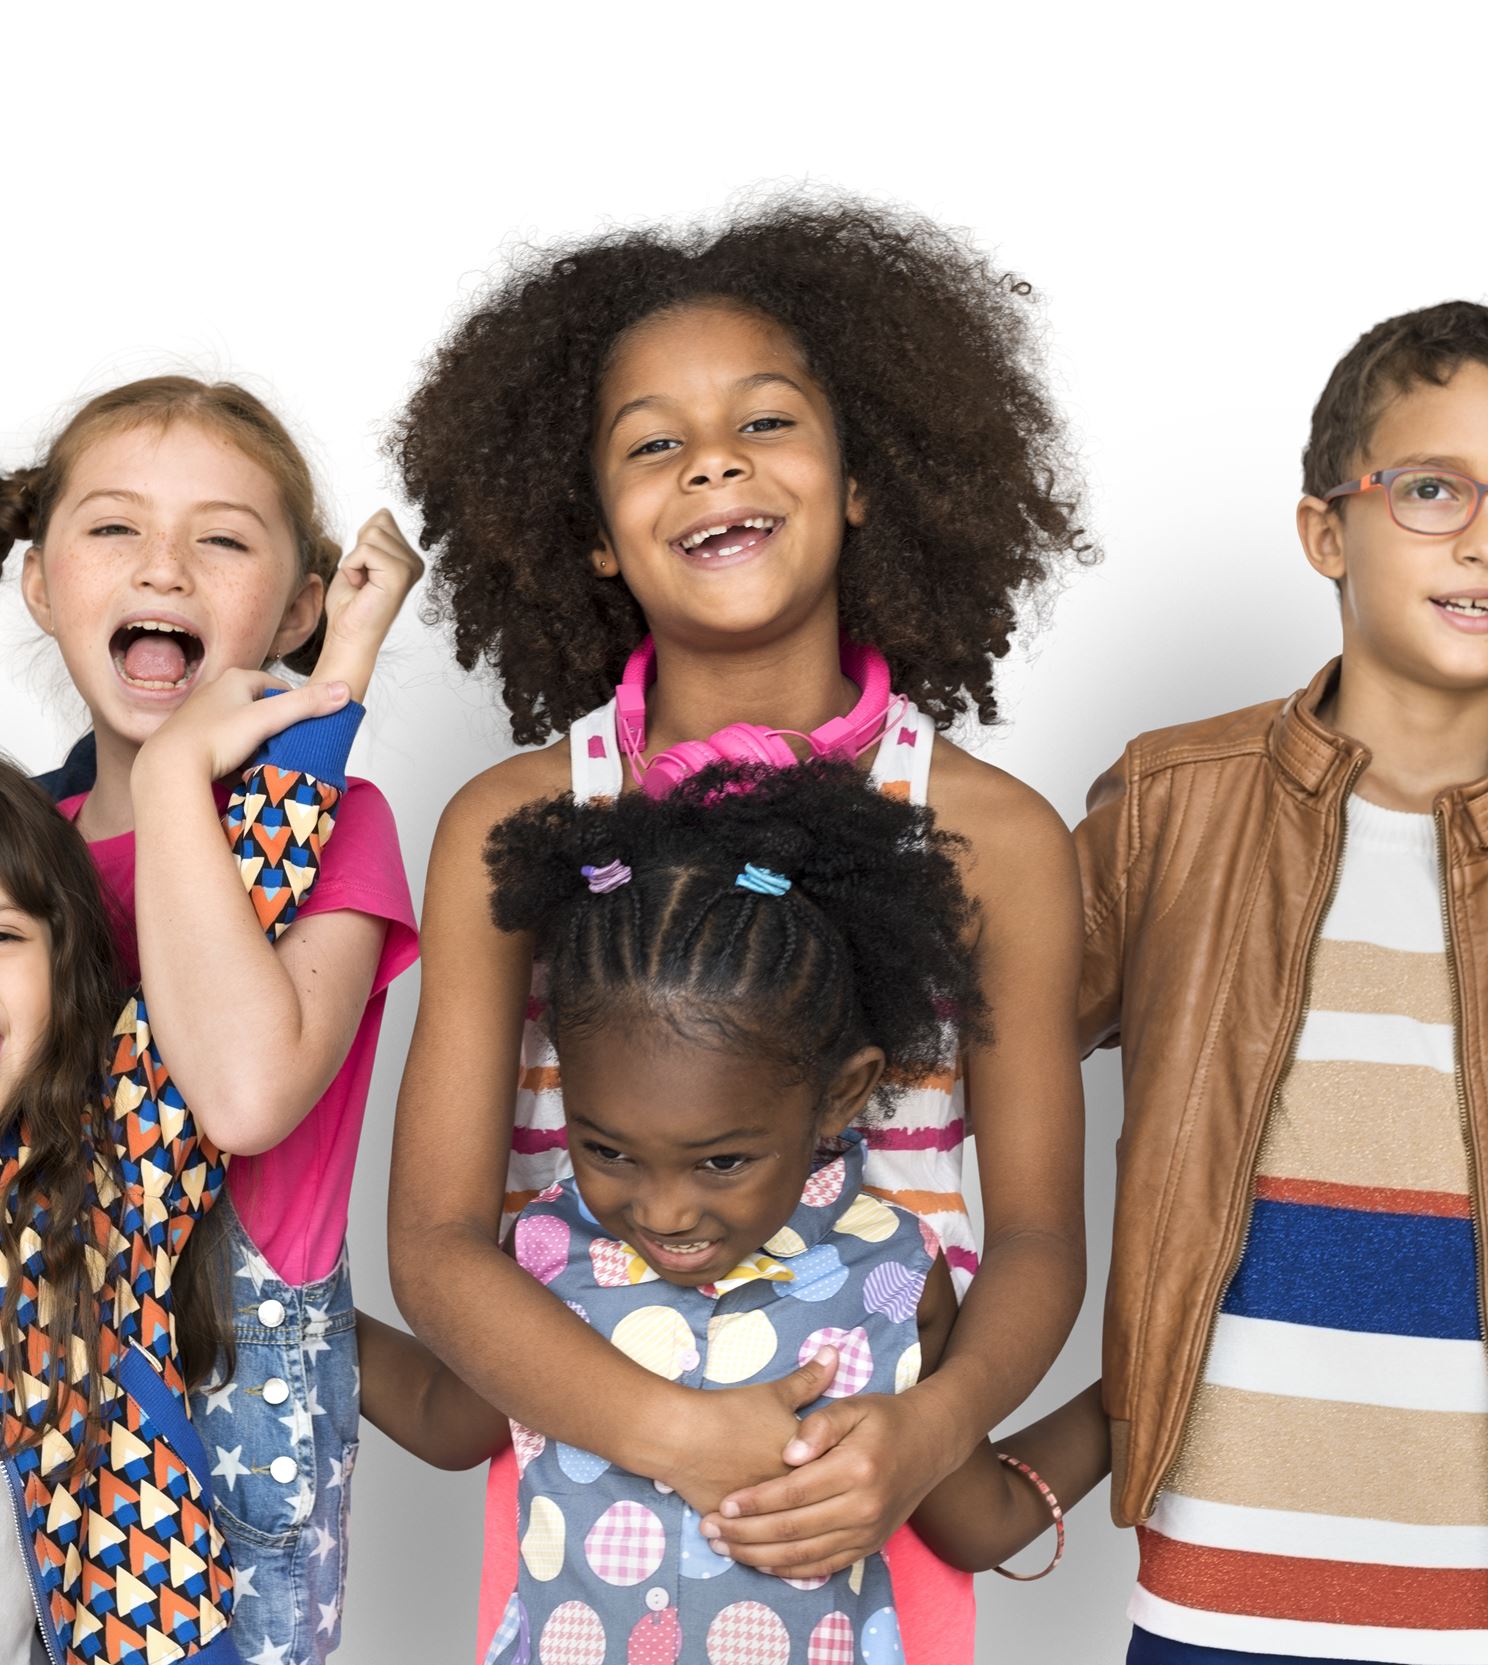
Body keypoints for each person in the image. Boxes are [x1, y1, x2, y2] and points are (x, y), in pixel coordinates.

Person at [384, 193, 1093, 1655]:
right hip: (581, 1516)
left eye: (766, 422)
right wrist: (667, 1427)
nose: (713, 458)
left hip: (867, 1505)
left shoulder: (1002, 839)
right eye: (654, 442)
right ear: (590, 531)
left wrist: (926, 1433)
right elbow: (438, 1240)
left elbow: (1031, 1236)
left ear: (859, 483)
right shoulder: (509, 826)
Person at [1078, 302, 1488, 1664]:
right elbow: (977, 1058)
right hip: (1215, 1581)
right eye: (1433, 488)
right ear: (1328, 528)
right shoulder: (1169, 805)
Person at [368, 761, 1108, 1662]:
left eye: (721, 1160)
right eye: (608, 1150)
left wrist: (1130, 1407)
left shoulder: (889, 1278)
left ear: (844, 1097)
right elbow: (444, 1418)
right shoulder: (545, 1260)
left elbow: (977, 1518)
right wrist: (255, 1289)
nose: (666, 1207)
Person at [0, 377, 421, 1659]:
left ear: (301, 605)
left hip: (232, 1428)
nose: (165, 563)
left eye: (221, 536)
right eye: (113, 529)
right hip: (2, 1385)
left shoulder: (341, 834)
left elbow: (241, 1094)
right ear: (40, 585)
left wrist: (168, 785)